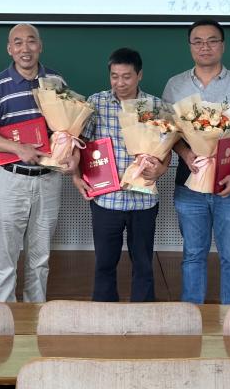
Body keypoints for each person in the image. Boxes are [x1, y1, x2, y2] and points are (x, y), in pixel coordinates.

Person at [162, 19, 230, 305]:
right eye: (198, 41)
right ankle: (193, 313)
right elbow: (167, 132)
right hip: (189, 183)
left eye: (212, 41)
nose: (205, 47)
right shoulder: (175, 85)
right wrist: (185, 153)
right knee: (193, 254)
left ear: (222, 46)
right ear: (190, 47)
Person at [0, 23, 68, 303]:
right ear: (9, 49)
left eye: (31, 41)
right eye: (18, 43)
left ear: (40, 46)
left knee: (40, 258)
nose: (25, 48)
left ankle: (34, 314)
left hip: (48, 179)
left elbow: (66, 127)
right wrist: (18, 148)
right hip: (10, 180)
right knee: (6, 258)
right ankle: (4, 315)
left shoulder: (56, 81)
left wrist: (68, 150)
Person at [73, 48, 169, 302]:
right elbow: (80, 143)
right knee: (104, 264)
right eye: (114, 76)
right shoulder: (96, 102)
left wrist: (161, 169)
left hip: (143, 199)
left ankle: (143, 314)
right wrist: (75, 175)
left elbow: (167, 148)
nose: (120, 83)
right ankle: (104, 314)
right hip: (106, 199)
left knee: (144, 265)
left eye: (126, 76)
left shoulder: (156, 106)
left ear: (139, 75)